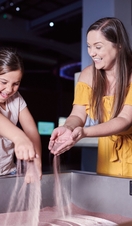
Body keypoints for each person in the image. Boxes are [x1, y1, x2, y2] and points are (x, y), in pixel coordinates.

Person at [48, 17, 132, 178]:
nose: (92, 53)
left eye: (98, 47)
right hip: (107, 156)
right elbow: (77, 115)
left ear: (119, 46)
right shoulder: (87, 75)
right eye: (89, 46)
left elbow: (124, 120)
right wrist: (68, 128)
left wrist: (84, 132)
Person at [0, 47, 42, 183]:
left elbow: (31, 130)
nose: (9, 89)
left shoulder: (16, 98)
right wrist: (20, 138)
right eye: (4, 82)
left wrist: (35, 163)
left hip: (8, 171)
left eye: (16, 84)